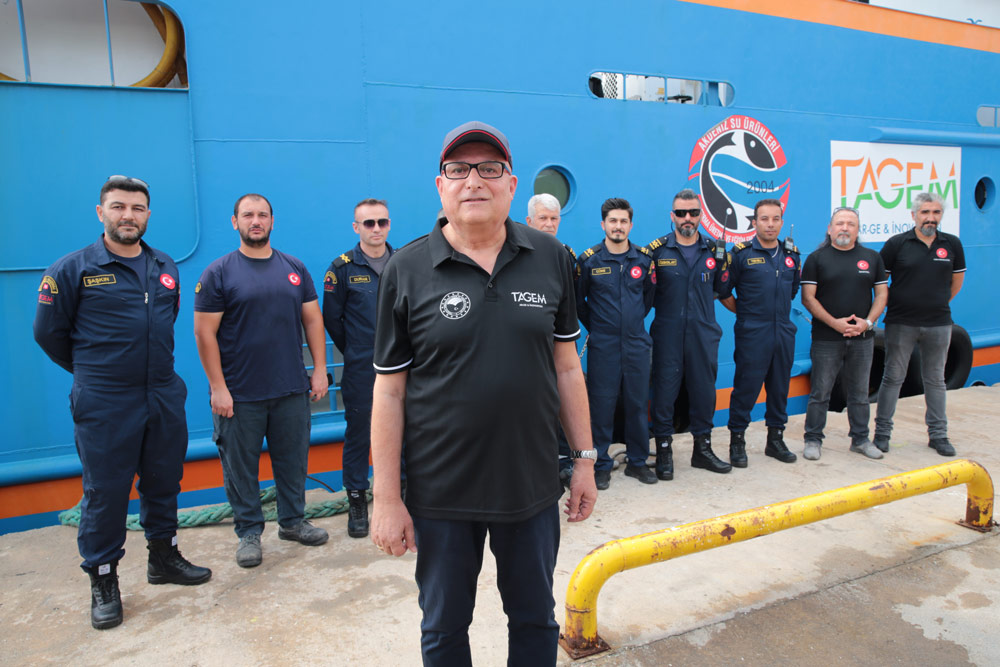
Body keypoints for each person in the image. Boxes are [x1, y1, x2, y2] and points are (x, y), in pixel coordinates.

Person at [369, 121, 597, 665]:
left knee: (535, 618)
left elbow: (567, 367)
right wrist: (387, 499)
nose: (474, 181)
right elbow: (389, 392)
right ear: (440, 186)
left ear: (511, 185)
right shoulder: (406, 269)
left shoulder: (551, 256)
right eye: (458, 169)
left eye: (489, 169)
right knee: (444, 626)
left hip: (531, 484)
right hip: (442, 492)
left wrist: (585, 460)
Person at [33, 176, 210, 630]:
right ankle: (104, 578)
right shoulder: (72, 269)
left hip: (162, 393)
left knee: (163, 480)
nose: (127, 216)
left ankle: (163, 557)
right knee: (106, 491)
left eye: (136, 208)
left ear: (147, 214)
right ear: (101, 212)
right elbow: (48, 335)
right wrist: (95, 372)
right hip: (106, 399)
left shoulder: (164, 265)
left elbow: (166, 319)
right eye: (118, 207)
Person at [193, 193, 330, 568]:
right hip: (239, 395)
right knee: (241, 469)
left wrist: (319, 369)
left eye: (263, 215)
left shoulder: (294, 268)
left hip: (290, 389)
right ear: (235, 222)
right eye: (248, 215)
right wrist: (218, 387)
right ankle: (249, 533)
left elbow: (312, 320)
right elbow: (204, 333)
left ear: (272, 221)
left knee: (293, 462)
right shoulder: (219, 273)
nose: (256, 221)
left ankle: (293, 522)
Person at [646, 189, 732, 479]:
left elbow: (722, 290)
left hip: (703, 334)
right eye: (681, 213)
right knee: (664, 393)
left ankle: (702, 450)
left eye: (693, 213)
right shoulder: (657, 251)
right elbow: (645, 294)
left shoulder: (715, 251)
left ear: (700, 215)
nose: (687, 218)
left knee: (704, 391)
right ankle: (664, 452)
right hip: (667, 334)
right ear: (672, 216)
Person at [323, 198, 395, 538]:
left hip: (401, 365)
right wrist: (356, 350)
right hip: (362, 368)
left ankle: (403, 493)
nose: (376, 229)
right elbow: (332, 320)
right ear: (356, 228)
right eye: (369, 223)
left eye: (382, 222)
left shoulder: (403, 262)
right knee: (359, 435)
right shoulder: (341, 269)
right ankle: (357, 500)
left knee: (406, 431)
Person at [874, 192, 965, 456]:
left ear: (941, 215)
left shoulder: (952, 244)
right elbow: (880, 283)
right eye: (925, 212)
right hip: (901, 323)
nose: (930, 218)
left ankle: (938, 436)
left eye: (936, 212)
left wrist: (935, 303)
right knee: (893, 378)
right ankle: (882, 434)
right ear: (914, 215)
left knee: (935, 380)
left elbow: (956, 283)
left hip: (939, 324)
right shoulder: (896, 244)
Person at [576, 198, 656, 488]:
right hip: (604, 345)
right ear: (603, 225)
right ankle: (600, 464)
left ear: (630, 225)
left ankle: (637, 462)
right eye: (613, 221)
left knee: (637, 405)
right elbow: (579, 302)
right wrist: (600, 328)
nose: (618, 226)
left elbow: (648, 299)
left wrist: (630, 325)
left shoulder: (644, 260)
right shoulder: (589, 261)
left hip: (636, 344)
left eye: (623, 221)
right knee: (601, 406)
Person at [800, 207, 888, 460]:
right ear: (830, 229)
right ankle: (813, 439)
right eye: (840, 223)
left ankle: (860, 440)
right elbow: (808, 298)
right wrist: (834, 324)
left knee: (859, 393)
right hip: (826, 339)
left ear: (858, 230)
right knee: (820, 393)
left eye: (851, 224)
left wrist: (867, 323)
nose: (845, 228)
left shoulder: (872, 258)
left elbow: (882, 294)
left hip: (862, 338)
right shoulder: (816, 259)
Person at [720, 199, 800, 466]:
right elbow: (723, 292)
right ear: (754, 222)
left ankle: (775, 440)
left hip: (783, 331)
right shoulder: (741, 254)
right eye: (764, 219)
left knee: (779, 388)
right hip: (753, 332)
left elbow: (792, 290)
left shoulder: (791, 255)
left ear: (782, 222)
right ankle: (737, 442)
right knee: (746, 388)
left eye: (775, 219)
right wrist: (745, 313)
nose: (770, 224)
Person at [526, 193, 577, 487]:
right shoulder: (515, 255)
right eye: (542, 218)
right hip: (528, 348)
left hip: (557, 345)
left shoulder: (565, 256)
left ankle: (564, 463)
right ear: (529, 221)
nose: (548, 224)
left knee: (561, 401)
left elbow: (572, 304)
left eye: (553, 218)